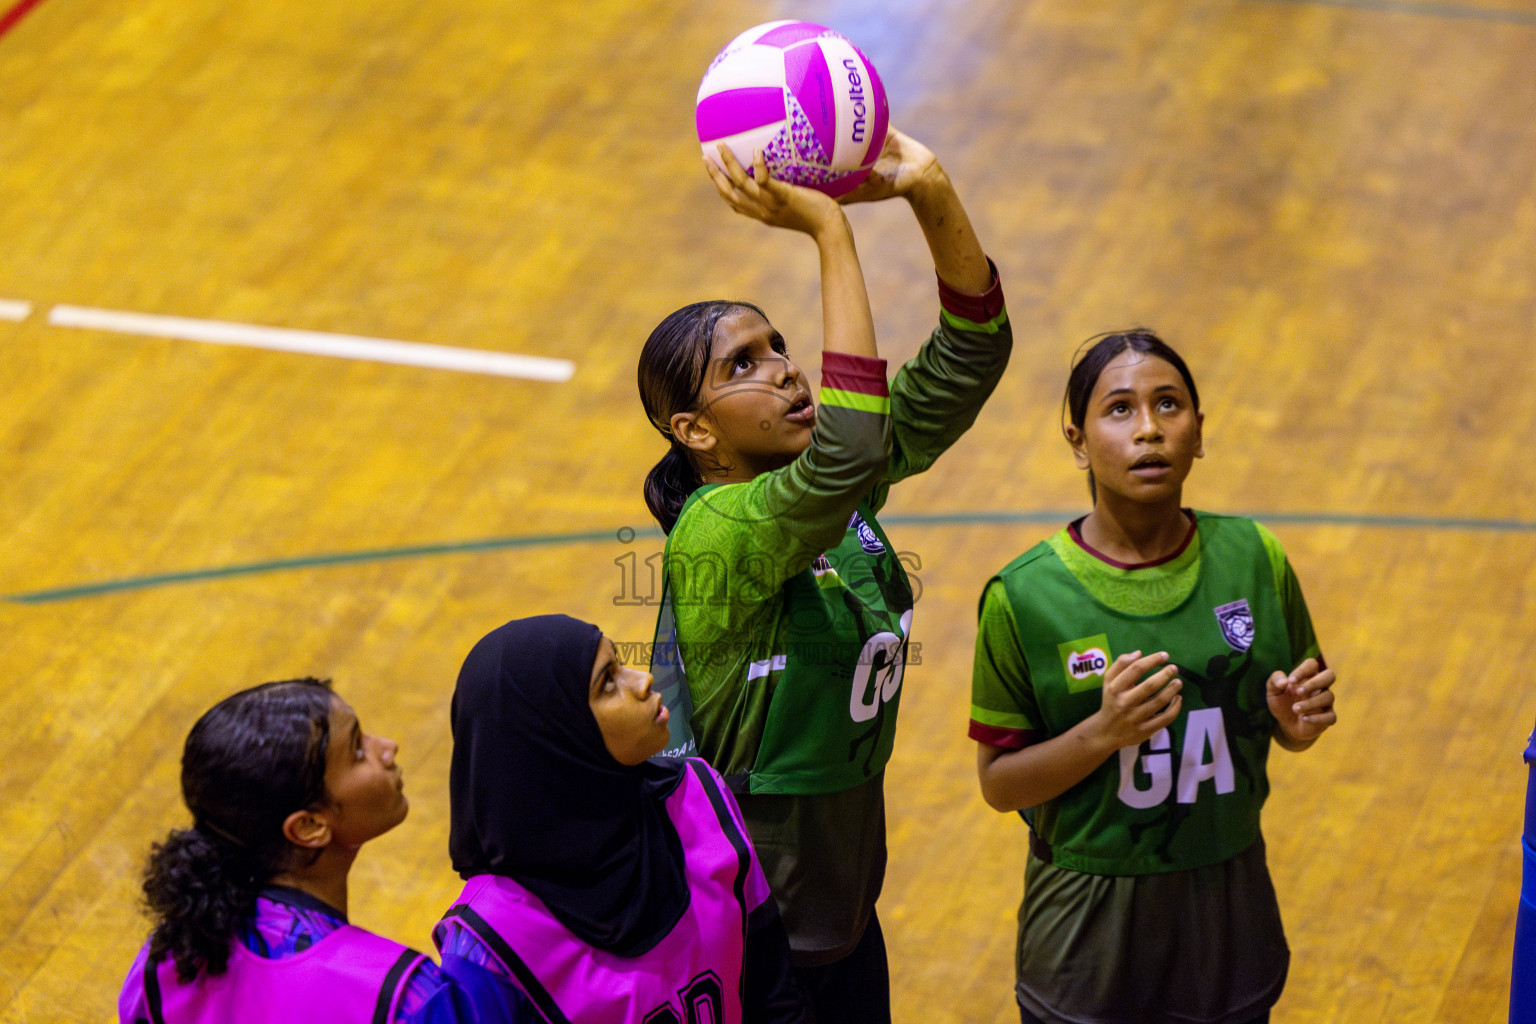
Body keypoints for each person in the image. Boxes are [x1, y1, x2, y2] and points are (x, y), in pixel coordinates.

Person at [636, 130, 1011, 1023]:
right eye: (745, 365)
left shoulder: (826, 491)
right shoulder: (717, 529)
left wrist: (929, 189)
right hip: (750, 942)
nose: (787, 370)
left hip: (843, 914)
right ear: (696, 433)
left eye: (778, 345)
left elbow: (970, 359)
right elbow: (846, 449)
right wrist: (829, 234)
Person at [968, 329, 1339, 1024]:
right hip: (1088, 926)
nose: (1148, 430)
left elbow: (1289, 726)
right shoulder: (1024, 595)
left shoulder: (1255, 557)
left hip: (1228, 907)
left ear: (1199, 432)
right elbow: (998, 784)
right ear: (1077, 440)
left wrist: (1297, 726)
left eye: (1169, 405)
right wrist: (1102, 734)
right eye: (1120, 409)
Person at [433, 614, 810, 1024]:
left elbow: (774, 994)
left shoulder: (701, 794)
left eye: (619, 664)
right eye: (607, 682)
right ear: (555, 737)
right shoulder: (488, 944)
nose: (643, 680)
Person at [119, 677, 470, 1024]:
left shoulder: (164, 960)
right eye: (358, 752)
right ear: (308, 827)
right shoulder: (402, 998)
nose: (388, 748)